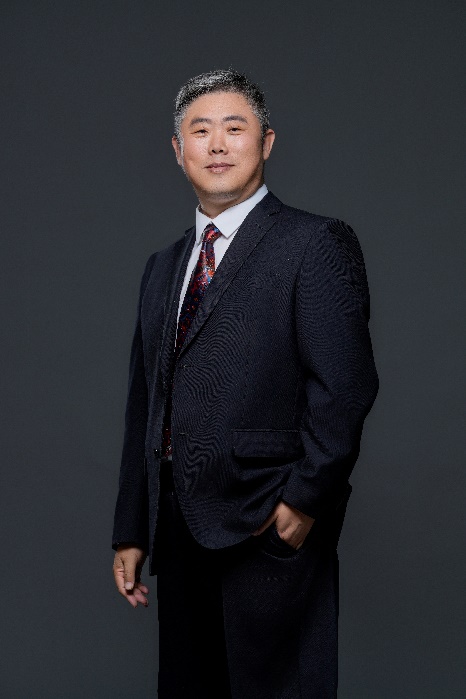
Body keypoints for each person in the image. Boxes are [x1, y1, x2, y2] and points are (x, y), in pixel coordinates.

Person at [112, 69, 379, 699]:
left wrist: (301, 504)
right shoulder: (162, 266)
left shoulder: (315, 243)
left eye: (235, 128)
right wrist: (132, 528)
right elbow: (145, 401)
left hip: (267, 523)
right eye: (200, 130)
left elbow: (345, 386)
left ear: (267, 142)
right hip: (177, 528)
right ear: (178, 149)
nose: (217, 144)